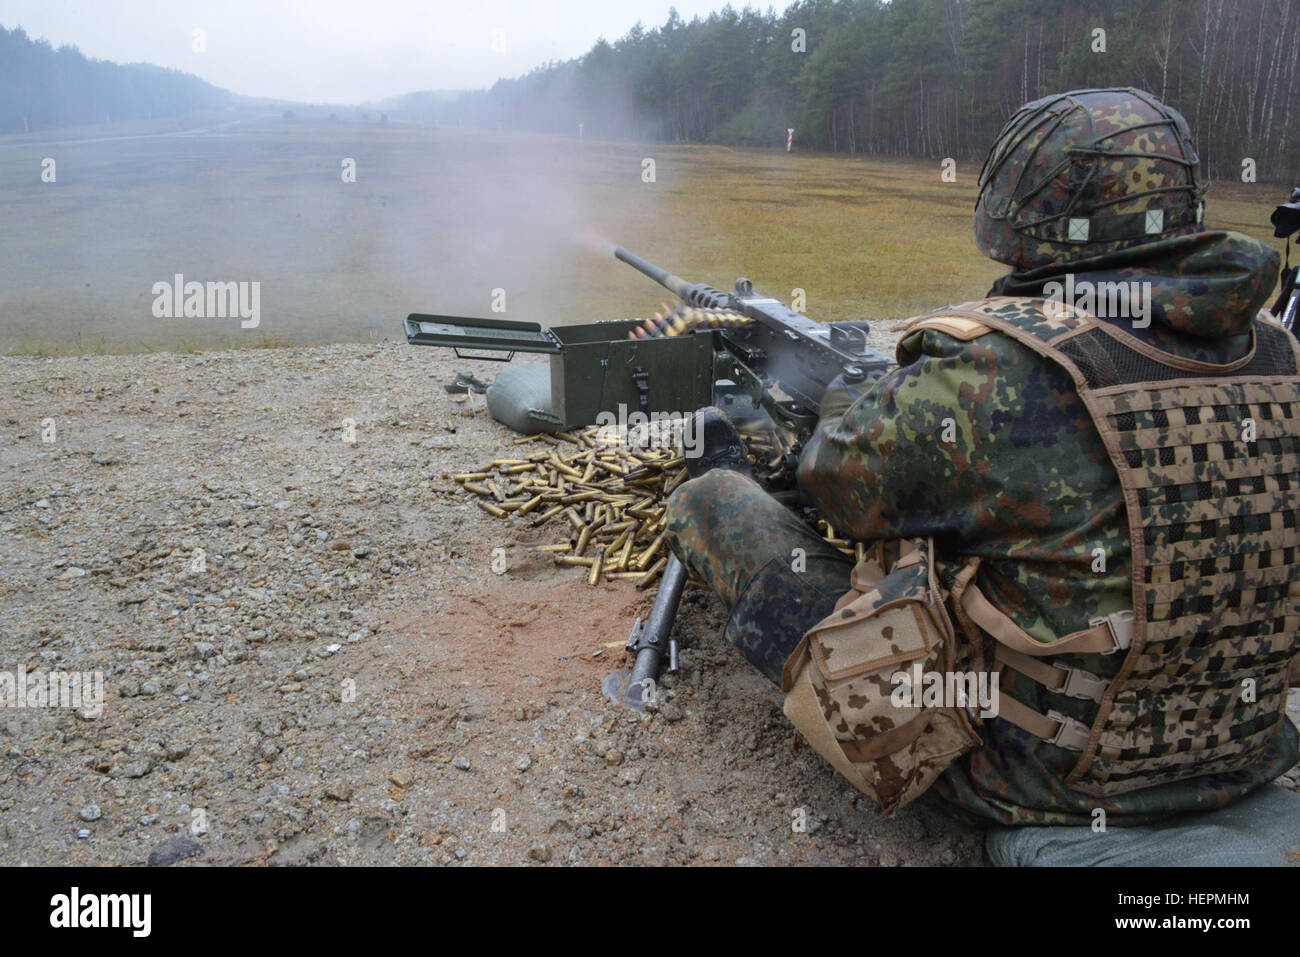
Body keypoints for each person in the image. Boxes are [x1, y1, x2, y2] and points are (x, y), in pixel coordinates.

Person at [664, 88, 1300, 848]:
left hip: (1028, 774)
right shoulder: (1282, 357)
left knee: (714, 500)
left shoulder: (1000, 368)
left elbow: (832, 482)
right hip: (1240, 750)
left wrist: (842, 400)